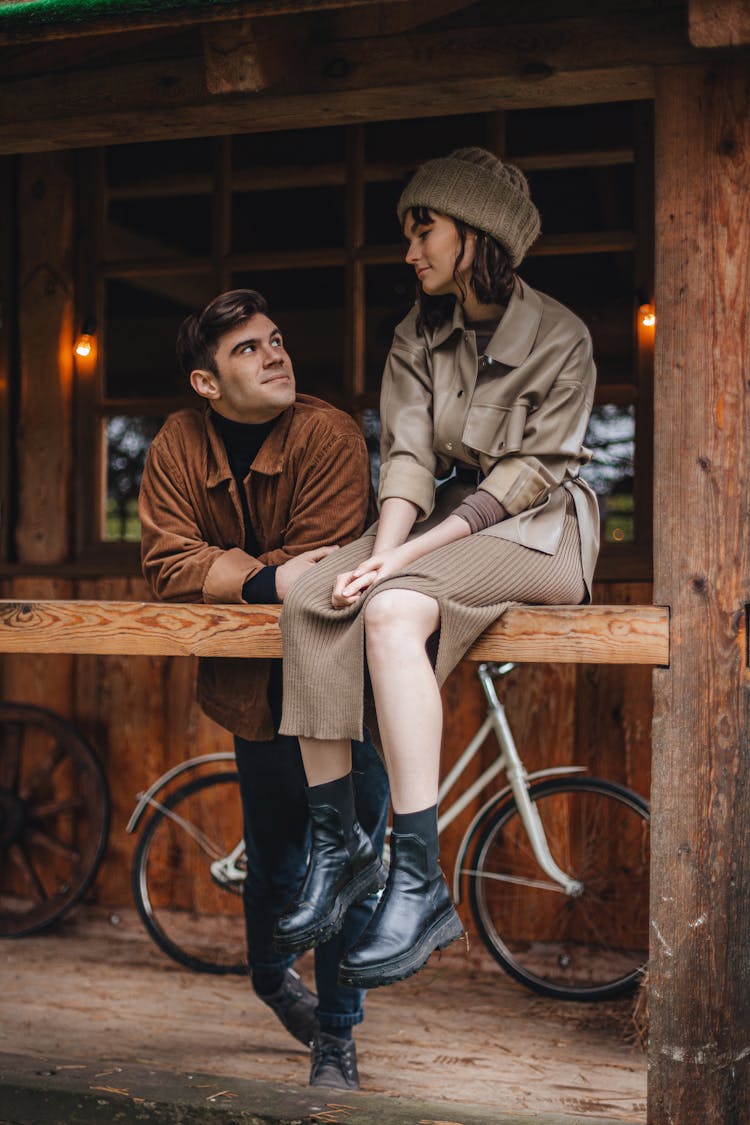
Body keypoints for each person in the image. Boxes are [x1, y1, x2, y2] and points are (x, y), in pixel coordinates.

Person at [274, 147, 600, 990]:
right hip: (445, 523)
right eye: (408, 233)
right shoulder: (418, 333)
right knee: (314, 596)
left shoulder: (562, 335)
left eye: (424, 229)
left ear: (476, 231)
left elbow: (526, 479)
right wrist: (380, 551)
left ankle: (419, 881)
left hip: (540, 532)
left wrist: (398, 566)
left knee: (389, 609)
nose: (410, 249)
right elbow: (410, 461)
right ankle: (339, 843)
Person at [138, 289, 390, 1090]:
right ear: (206, 382)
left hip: (341, 691)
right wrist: (269, 576)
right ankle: (271, 978)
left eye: (275, 339)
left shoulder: (330, 432)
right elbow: (164, 563)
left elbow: (328, 565)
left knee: (342, 862)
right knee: (278, 866)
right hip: (252, 693)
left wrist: (241, 573)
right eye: (248, 348)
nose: (275, 353)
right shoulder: (178, 441)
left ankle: (337, 1040)